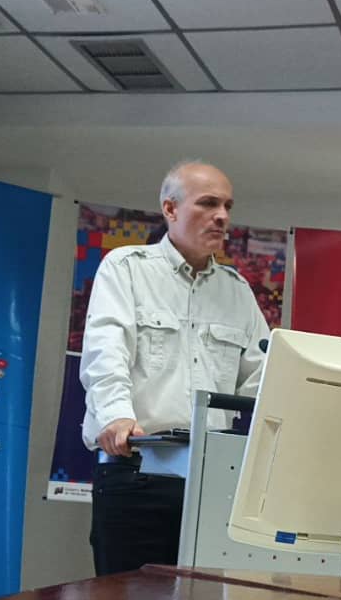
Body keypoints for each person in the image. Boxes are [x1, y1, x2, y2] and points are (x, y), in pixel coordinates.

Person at [80, 160, 270, 575]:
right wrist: (115, 417)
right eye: (208, 203)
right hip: (137, 473)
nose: (222, 216)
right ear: (170, 208)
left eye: (227, 206)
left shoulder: (238, 291)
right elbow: (105, 352)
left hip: (214, 483)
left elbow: (262, 380)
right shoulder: (127, 268)